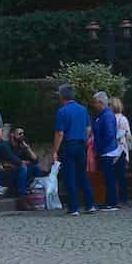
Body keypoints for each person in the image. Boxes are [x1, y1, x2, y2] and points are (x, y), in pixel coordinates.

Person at [51, 83, 96, 216]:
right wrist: (83, 140)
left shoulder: (62, 111)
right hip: (81, 145)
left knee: (69, 176)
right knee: (82, 175)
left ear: (62, 97)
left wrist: (55, 151)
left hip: (69, 145)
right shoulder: (83, 110)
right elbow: (88, 129)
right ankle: (90, 204)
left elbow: (60, 133)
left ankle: (74, 207)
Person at [91, 91, 122, 211]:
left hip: (107, 151)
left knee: (109, 177)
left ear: (100, 102)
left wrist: (100, 148)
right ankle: (109, 202)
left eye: (95, 102)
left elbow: (109, 134)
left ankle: (112, 203)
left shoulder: (107, 115)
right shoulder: (104, 114)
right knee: (107, 177)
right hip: (106, 150)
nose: (94, 105)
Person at [1, 128, 47, 209]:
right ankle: (21, 198)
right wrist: (22, 163)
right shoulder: (5, 146)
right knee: (23, 168)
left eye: (23, 134)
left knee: (35, 168)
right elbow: (15, 160)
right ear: (12, 134)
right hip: (6, 173)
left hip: (18, 171)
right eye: (20, 133)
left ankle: (39, 194)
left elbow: (35, 160)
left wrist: (27, 148)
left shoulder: (22, 146)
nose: (22, 135)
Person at [112, 98, 132, 207]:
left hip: (114, 149)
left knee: (115, 176)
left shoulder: (111, 118)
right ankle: (122, 198)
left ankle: (116, 198)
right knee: (121, 176)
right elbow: (128, 135)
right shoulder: (123, 119)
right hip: (121, 149)